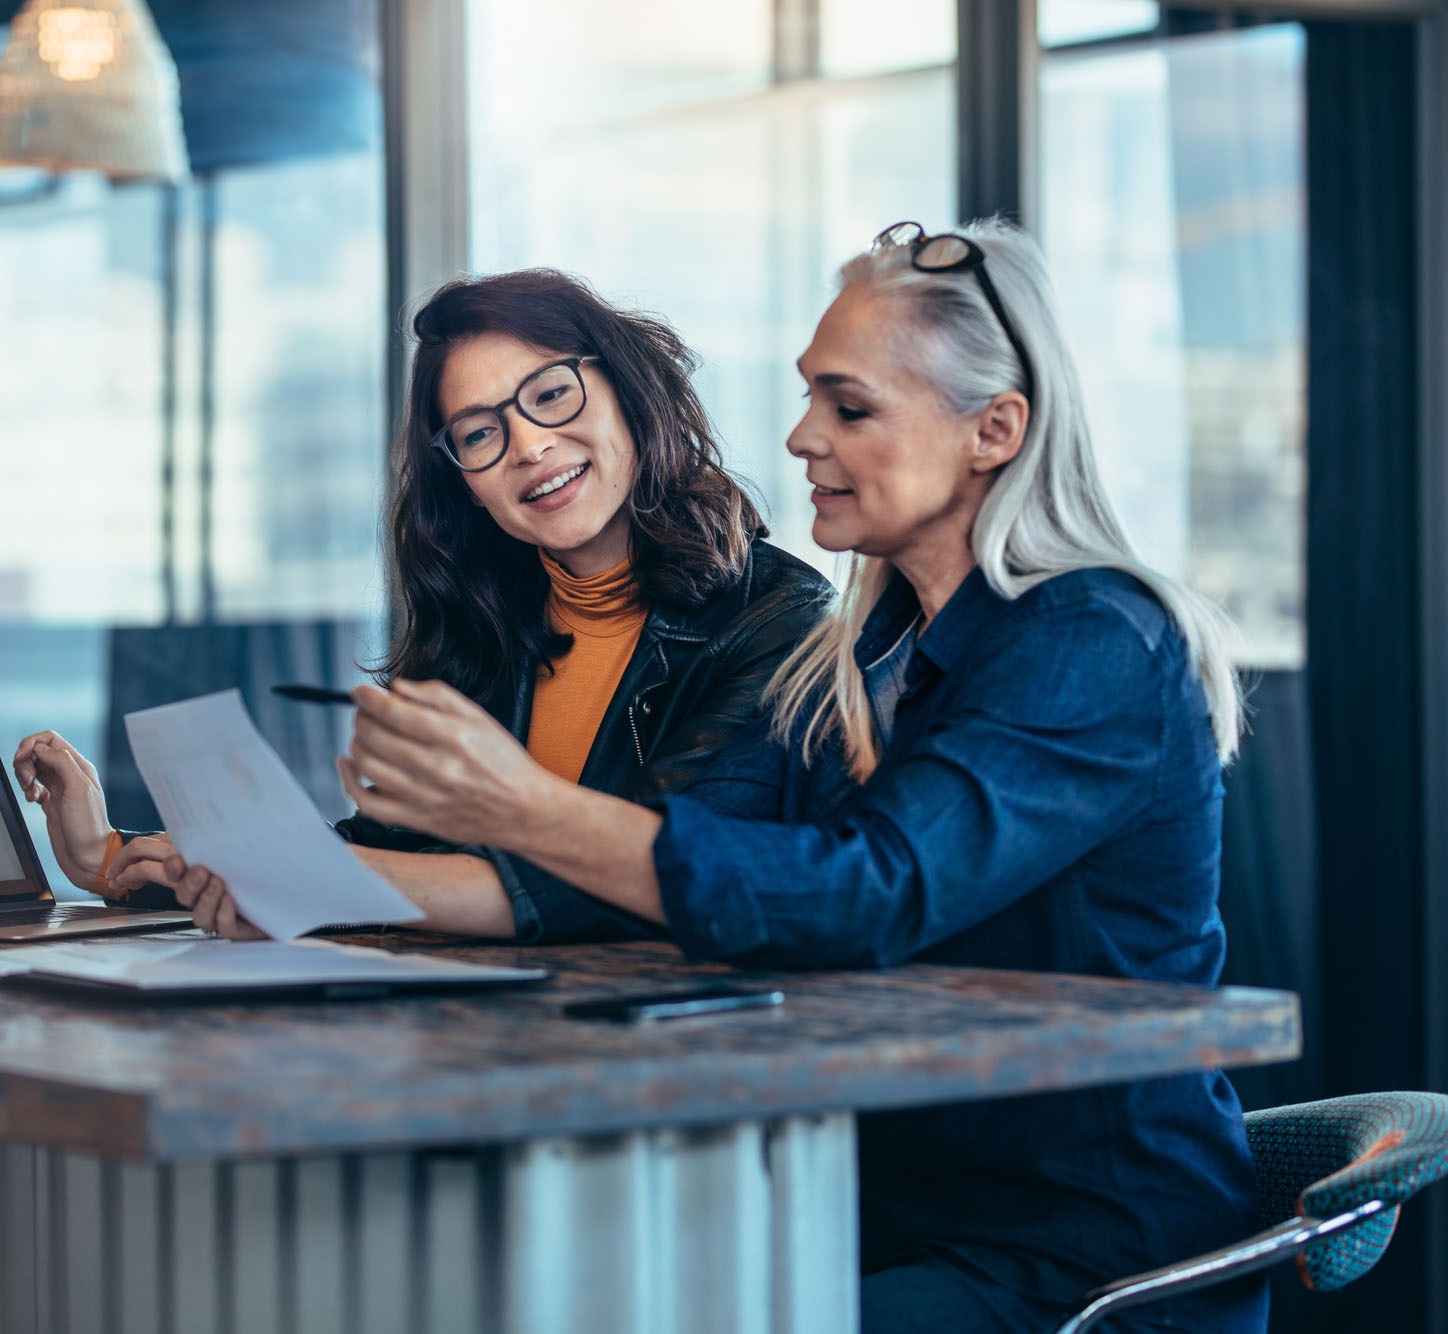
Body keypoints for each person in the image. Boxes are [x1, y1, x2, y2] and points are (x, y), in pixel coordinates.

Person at [168, 219, 1264, 1329]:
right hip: (876, 1205)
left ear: (992, 429)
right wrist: (289, 876)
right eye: (806, 399)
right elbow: (671, 857)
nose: (798, 439)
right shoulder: (858, 653)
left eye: (847, 407)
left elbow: (864, 891)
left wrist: (517, 803)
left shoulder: (1094, 640)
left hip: (1073, 1253)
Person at [12, 269, 832, 942]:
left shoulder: (783, 623)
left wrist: (298, 879)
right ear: (465, 485)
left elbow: (648, 877)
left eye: (551, 394)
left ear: (628, 390)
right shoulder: (490, 624)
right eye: (479, 433)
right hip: (487, 1043)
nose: (529, 446)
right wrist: (107, 855)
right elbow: (395, 855)